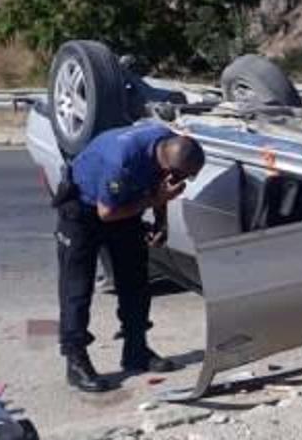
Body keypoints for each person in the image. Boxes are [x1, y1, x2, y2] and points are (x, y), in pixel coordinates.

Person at [55, 123, 205, 393]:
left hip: (124, 207)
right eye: (186, 177)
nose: (187, 182)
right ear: (169, 166)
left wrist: (161, 223)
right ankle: (75, 361)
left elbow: (161, 187)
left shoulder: (167, 142)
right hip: (85, 211)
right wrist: (153, 200)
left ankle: (136, 350)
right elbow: (107, 213)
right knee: (76, 290)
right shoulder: (121, 163)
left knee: (135, 282)